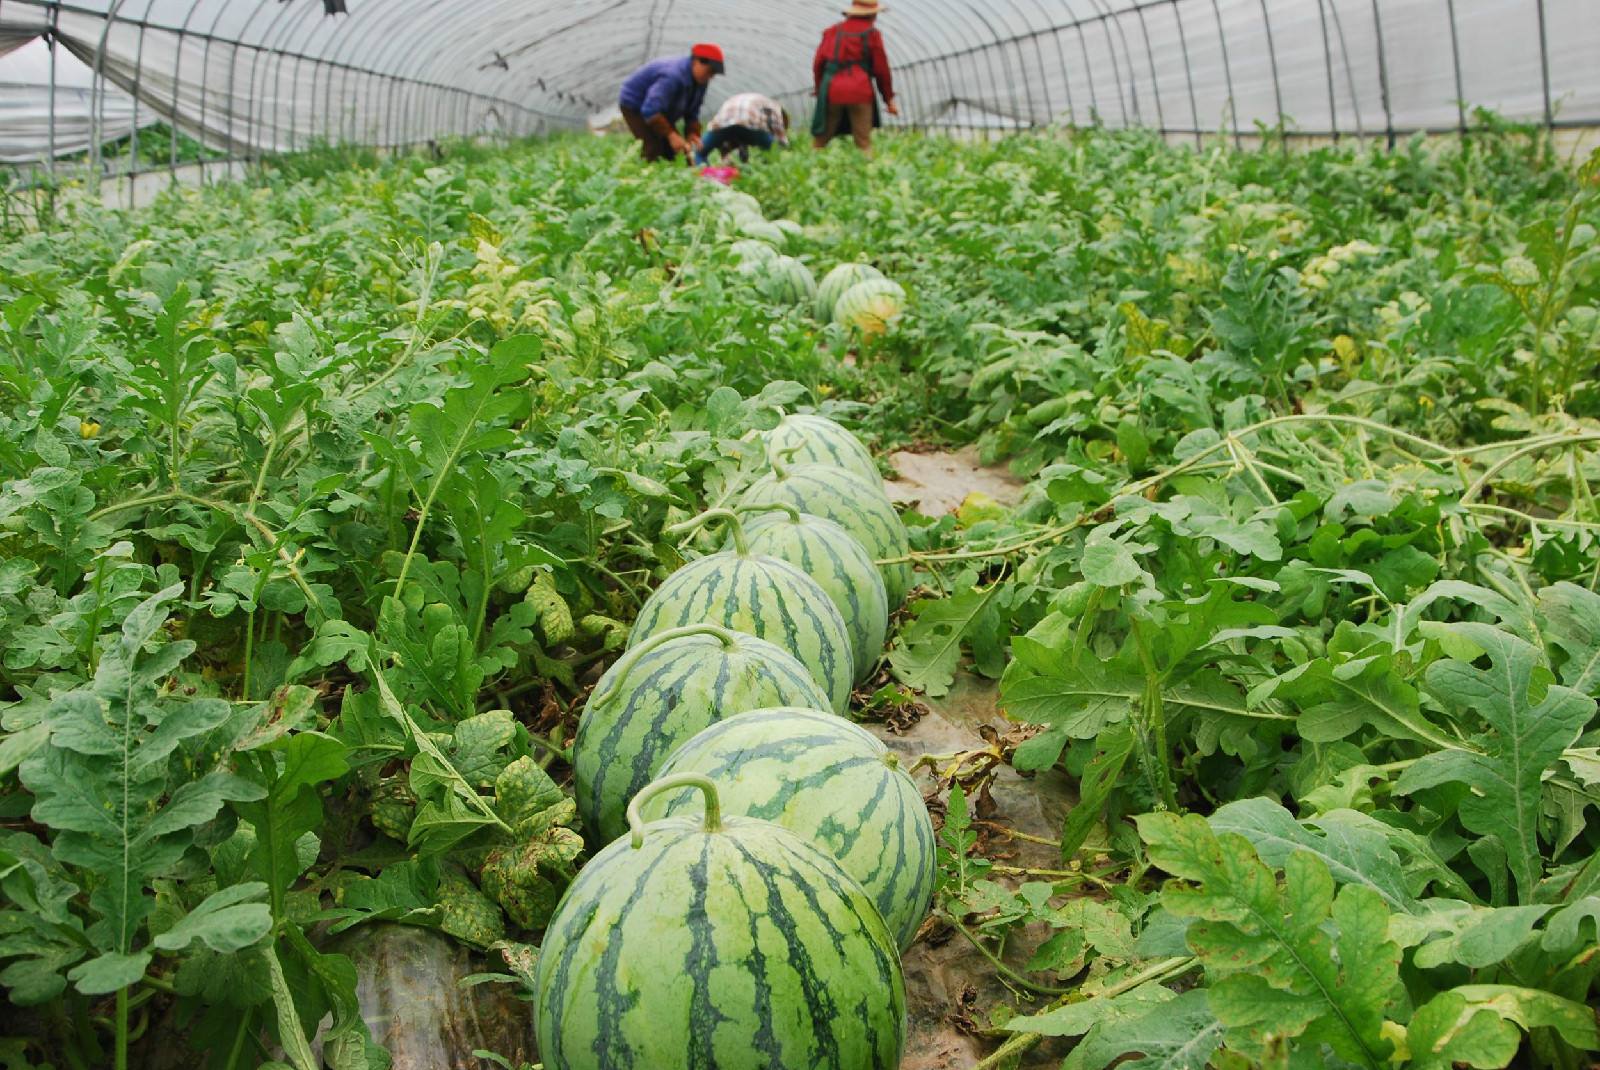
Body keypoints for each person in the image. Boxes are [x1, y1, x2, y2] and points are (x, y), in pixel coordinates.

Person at [811, 0, 897, 155]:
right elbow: (881, 69)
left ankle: (809, 169)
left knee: (820, 141)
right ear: (871, 14)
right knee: (864, 142)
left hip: (832, 90)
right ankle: (869, 175)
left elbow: (818, 64)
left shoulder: (831, 32)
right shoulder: (872, 34)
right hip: (860, 90)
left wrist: (819, 90)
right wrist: (888, 99)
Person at [618, 43, 724, 162]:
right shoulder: (672, 76)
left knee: (676, 151)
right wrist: (672, 135)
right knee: (653, 147)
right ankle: (646, 174)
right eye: (709, 71)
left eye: (713, 74)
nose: (711, 77)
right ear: (696, 61)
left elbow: (693, 110)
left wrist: (692, 132)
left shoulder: (701, 81)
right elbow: (650, 109)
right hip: (635, 104)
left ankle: (679, 174)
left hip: (661, 110)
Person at [693, 94, 790, 165]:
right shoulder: (776, 108)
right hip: (749, 120)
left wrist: (726, 156)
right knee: (774, 152)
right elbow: (780, 137)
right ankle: (767, 177)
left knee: (700, 152)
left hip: (723, 121)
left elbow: (730, 136)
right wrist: (784, 146)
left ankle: (705, 179)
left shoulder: (754, 100)